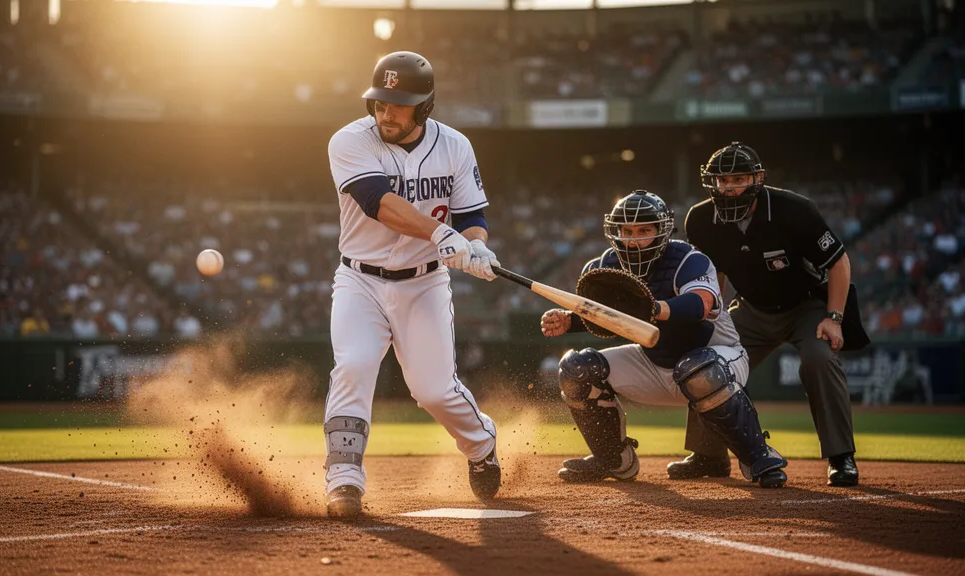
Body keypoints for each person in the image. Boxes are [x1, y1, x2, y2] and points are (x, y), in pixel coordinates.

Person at [324, 51, 501, 518]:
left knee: (434, 391)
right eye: (380, 103)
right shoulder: (349, 141)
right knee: (355, 365)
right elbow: (376, 202)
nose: (386, 113)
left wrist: (477, 246)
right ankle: (343, 480)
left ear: (424, 107)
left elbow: (471, 217)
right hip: (359, 279)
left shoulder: (455, 145)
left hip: (423, 285)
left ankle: (482, 443)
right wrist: (442, 234)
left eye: (398, 105)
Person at [540, 190, 788, 488]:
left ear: (662, 231)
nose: (633, 239)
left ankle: (759, 456)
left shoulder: (689, 260)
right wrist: (569, 319)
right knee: (575, 368)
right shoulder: (602, 267)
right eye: (626, 231)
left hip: (716, 356)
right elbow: (605, 318)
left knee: (699, 369)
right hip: (652, 360)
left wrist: (654, 309)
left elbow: (700, 304)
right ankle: (613, 458)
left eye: (644, 230)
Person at [679, 142, 866, 487]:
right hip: (750, 308)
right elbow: (712, 272)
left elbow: (838, 261)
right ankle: (708, 455)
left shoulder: (794, 210)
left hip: (805, 307)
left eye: (739, 177)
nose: (730, 186)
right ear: (712, 183)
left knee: (819, 359)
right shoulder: (701, 218)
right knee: (705, 362)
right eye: (722, 179)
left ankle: (841, 457)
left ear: (757, 178)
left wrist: (834, 317)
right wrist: (712, 319)